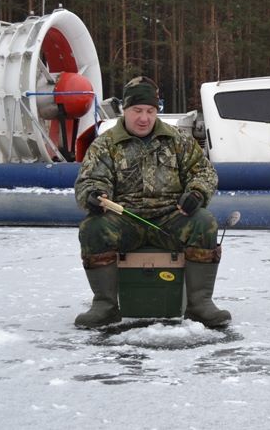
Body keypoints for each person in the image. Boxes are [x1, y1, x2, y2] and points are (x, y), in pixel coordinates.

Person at [73, 75, 232, 327]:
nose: (144, 118)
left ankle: (200, 304)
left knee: (204, 222)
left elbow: (204, 172)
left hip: (171, 218)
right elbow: (90, 179)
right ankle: (105, 305)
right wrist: (94, 195)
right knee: (93, 227)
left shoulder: (178, 139)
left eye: (150, 111)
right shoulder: (105, 144)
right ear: (124, 110)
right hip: (125, 219)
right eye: (137, 110)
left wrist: (196, 193)